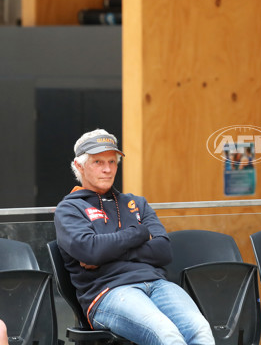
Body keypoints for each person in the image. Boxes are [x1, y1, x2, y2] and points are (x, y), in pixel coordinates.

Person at [53, 129, 215, 345]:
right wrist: (138, 233)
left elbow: (163, 251)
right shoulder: (70, 208)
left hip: (157, 284)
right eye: (98, 162)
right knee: (167, 335)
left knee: (201, 331)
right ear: (80, 166)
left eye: (112, 162)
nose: (107, 169)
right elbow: (90, 251)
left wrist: (107, 251)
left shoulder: (136, 203)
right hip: (108, 292)